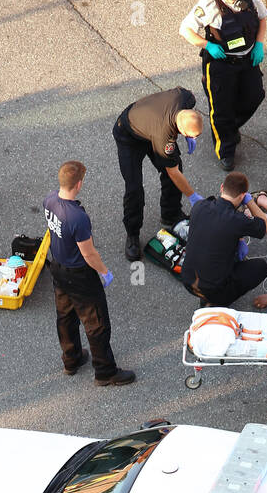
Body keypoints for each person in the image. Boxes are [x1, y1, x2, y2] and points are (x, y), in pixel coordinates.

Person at [43, 161, 135, 385]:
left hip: (58, 269)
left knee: (65, 316)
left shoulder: (50, 200)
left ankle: (71, 358)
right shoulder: (78, 218)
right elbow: (89, 253)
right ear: (79, 184)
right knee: (96, 322)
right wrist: (104, 271)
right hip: (79, 275)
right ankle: (105, 371)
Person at [179, 0, 267, 171]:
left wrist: (260, 44)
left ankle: (229, 127)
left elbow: (262, 18)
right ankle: (225, 151)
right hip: (221, 64)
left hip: (247, 58)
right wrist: (206, 45)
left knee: (255, 95)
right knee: (221, 109)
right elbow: (185, 30)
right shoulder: (208, 5)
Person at [113, 88, 203, 260]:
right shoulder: (164, 137)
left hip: (150, 125)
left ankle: (170, 213)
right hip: (129, 134)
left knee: (175, 165)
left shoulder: (185, 98)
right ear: (182, 131)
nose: (194, 138)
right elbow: (173, 173)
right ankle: (132, 234)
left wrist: (189, 134)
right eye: (191, 136)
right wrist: (192, 196)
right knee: (134, 188)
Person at [180, 172, 267, 306]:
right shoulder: (237, 220)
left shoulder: (200, 205)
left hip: (187, 279)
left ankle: (210, 294)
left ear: (222, 187)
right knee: (261, 267)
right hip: (212, 289)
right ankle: (216, 302)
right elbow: (265, 225)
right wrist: (250, 201)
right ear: (242, 196)